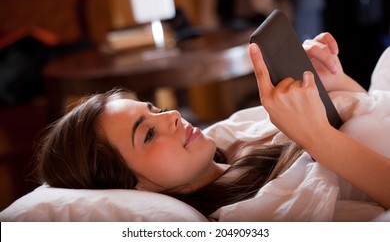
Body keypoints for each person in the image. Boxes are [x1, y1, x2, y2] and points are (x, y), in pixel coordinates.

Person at [35, 32, 390, 216]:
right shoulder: (257, 214)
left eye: (154, 110)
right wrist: (316, 136)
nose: (170, 117)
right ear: (132, 189)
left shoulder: (242, 145)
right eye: (147, 134)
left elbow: (369, 127)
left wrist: (337, 84)